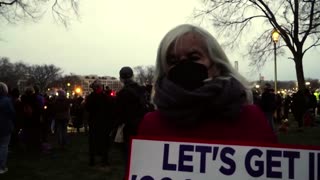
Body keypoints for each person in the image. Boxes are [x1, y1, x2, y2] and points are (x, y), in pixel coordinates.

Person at [138, 24, 277, 143]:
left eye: (194, 57)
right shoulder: (152, 125)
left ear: (216, 65)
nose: (183, 66)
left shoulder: (250, 120)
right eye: (173, 61)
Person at [85, 80, 114, 170]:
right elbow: (110, 109)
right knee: (104, 142)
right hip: (103, 122)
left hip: (94, 122)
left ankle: (92, 160)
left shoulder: (90, 97)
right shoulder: (105, 97)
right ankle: (104, 160)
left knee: (93, 142)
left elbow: (87, 108)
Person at [0, 82, 15, 174]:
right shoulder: (7, 100)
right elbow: (12, 113)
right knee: (3, 146)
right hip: (4, 126)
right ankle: (1, 167)